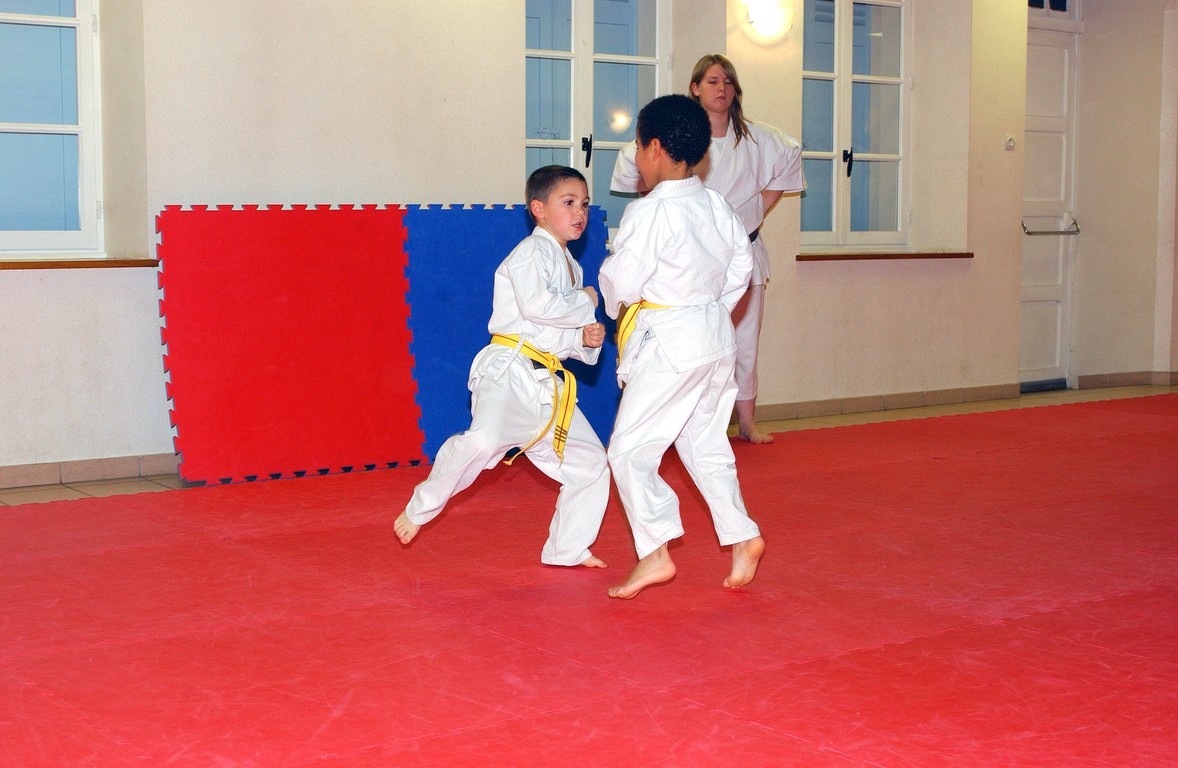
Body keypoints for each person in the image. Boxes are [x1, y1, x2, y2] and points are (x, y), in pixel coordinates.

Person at [394, 165, 610, 569]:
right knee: (482, 441)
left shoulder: (572, 266)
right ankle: (421, 507)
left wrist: (583, 342)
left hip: (547, 382)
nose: (579, 212)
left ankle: (567, 549)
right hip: (509, 371)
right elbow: (539, 308)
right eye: (568, 202)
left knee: (593, 464)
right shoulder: (531, 252)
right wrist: (586, 301)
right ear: (538, 209)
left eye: (583, 204)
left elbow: (552, 333)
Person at [599, 94, 765, 599]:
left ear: (652, 149)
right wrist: (708, 306)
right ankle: (742, 535)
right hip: (714, 338)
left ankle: (654, 554)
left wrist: (610, 296)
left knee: (628, 450)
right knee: (704, 444)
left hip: (671, 344)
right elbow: (744, 267)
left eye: (637, 149)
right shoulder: (714, 202)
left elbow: (622, 283)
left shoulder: (650, 214)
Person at [611, 54, 804, 444]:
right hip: (681, 257)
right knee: (671, 343)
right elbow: (639, 170)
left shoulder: (758, 138)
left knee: (743, 342)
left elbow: (791, 155)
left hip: (739, 248)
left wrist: (755, 211)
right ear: (695, 87)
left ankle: (746, 421)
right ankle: (668, 426)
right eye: (713, 81)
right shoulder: (671, 139)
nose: (722, 88)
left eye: (728, 82)